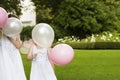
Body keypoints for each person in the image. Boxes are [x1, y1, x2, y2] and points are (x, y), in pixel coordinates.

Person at [0, 14, 26, 80]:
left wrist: (9, 37)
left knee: (16, 72)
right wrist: (3, 31)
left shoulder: (16, 32)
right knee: (6, 71)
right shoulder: (1, 31)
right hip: (5, 55)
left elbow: (18, 45)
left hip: (14, 55)